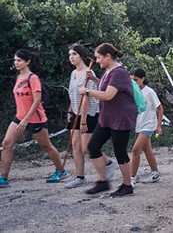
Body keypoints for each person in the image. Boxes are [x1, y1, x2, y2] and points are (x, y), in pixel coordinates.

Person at [0, 49, 69, 187]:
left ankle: (61, 171)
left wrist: (27, 119)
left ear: (27, 62)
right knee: (7, 144)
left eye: (19, 60)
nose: (16, 63)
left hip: (35, 118)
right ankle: (3, 178)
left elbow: (36, 100)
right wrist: (22, 118)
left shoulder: (33, 78)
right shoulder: (18, 78)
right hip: (19, 117)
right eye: (15, 60)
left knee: (46, 146)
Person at [79, 43, 137, 197]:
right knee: (93, 146)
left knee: (120, 152)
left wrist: (87, 91)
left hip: (121, 118)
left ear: (108, 56)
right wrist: (94, 79)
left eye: (99, 58)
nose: (97, 61)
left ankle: (127, 185)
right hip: (107, 118)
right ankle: (103, 181)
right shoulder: (108, 71)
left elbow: (108, 95)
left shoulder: (119, 72)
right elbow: (105, 88)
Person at [64, 44, 103, 189]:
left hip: (89, 113)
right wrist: (70, 111)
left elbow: (87, 97)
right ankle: (80, 177)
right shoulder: (74, 74)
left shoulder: (89, 73)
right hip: (76, 112)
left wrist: (83, 121)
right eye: (70, 55)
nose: (71, 57)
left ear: (81, 55)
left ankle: (107, 162)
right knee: (75, 145)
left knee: (87, 148)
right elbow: (73, 94)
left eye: (74, 54)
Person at [130, 68, 163, 187]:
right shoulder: (134, 91)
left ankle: (132, 177)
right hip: (139, 124)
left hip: (149, 124)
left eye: (136, 80)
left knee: (135, 149)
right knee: (147, 149)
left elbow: (160, 108)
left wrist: (158, 125)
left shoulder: (149, 92)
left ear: (143, 79)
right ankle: (155, 172)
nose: (134, 82)